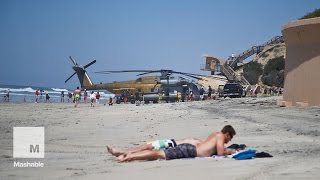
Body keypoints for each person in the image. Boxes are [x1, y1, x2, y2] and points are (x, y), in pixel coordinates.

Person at [112, 125, 236, 162]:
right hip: (189, 150)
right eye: (229, 139)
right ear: (227, 134)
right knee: (157, 154)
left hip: (188, 149)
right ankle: (130, 155)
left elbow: (213, 150)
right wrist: (229, 151)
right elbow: (220, 153)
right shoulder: (220, 136)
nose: (228, 141)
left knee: (156, 153)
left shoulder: (213, 135)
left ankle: (128, 155)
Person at [107, 138, 202, 158]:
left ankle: (122, 152)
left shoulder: (201, 145)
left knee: (148, 147)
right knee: (147, 146)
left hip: (172, 145)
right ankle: (123, 152)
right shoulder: (202, 142)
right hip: (171, 142)